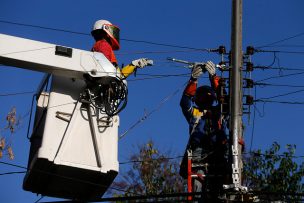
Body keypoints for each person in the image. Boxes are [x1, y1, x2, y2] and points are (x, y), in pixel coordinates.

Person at [180, 61, 229, 201]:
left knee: (219, 188)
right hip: (198, 153)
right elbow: (184, 103)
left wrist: (214, 77)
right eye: (201, 96)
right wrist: (193, 79)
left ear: (213, 98)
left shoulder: (219, 112)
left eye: (207, 96)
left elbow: (225, 102)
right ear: (197, 99)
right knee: (197, 186)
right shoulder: (195, 112)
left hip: (218, 151)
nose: (205, 98)